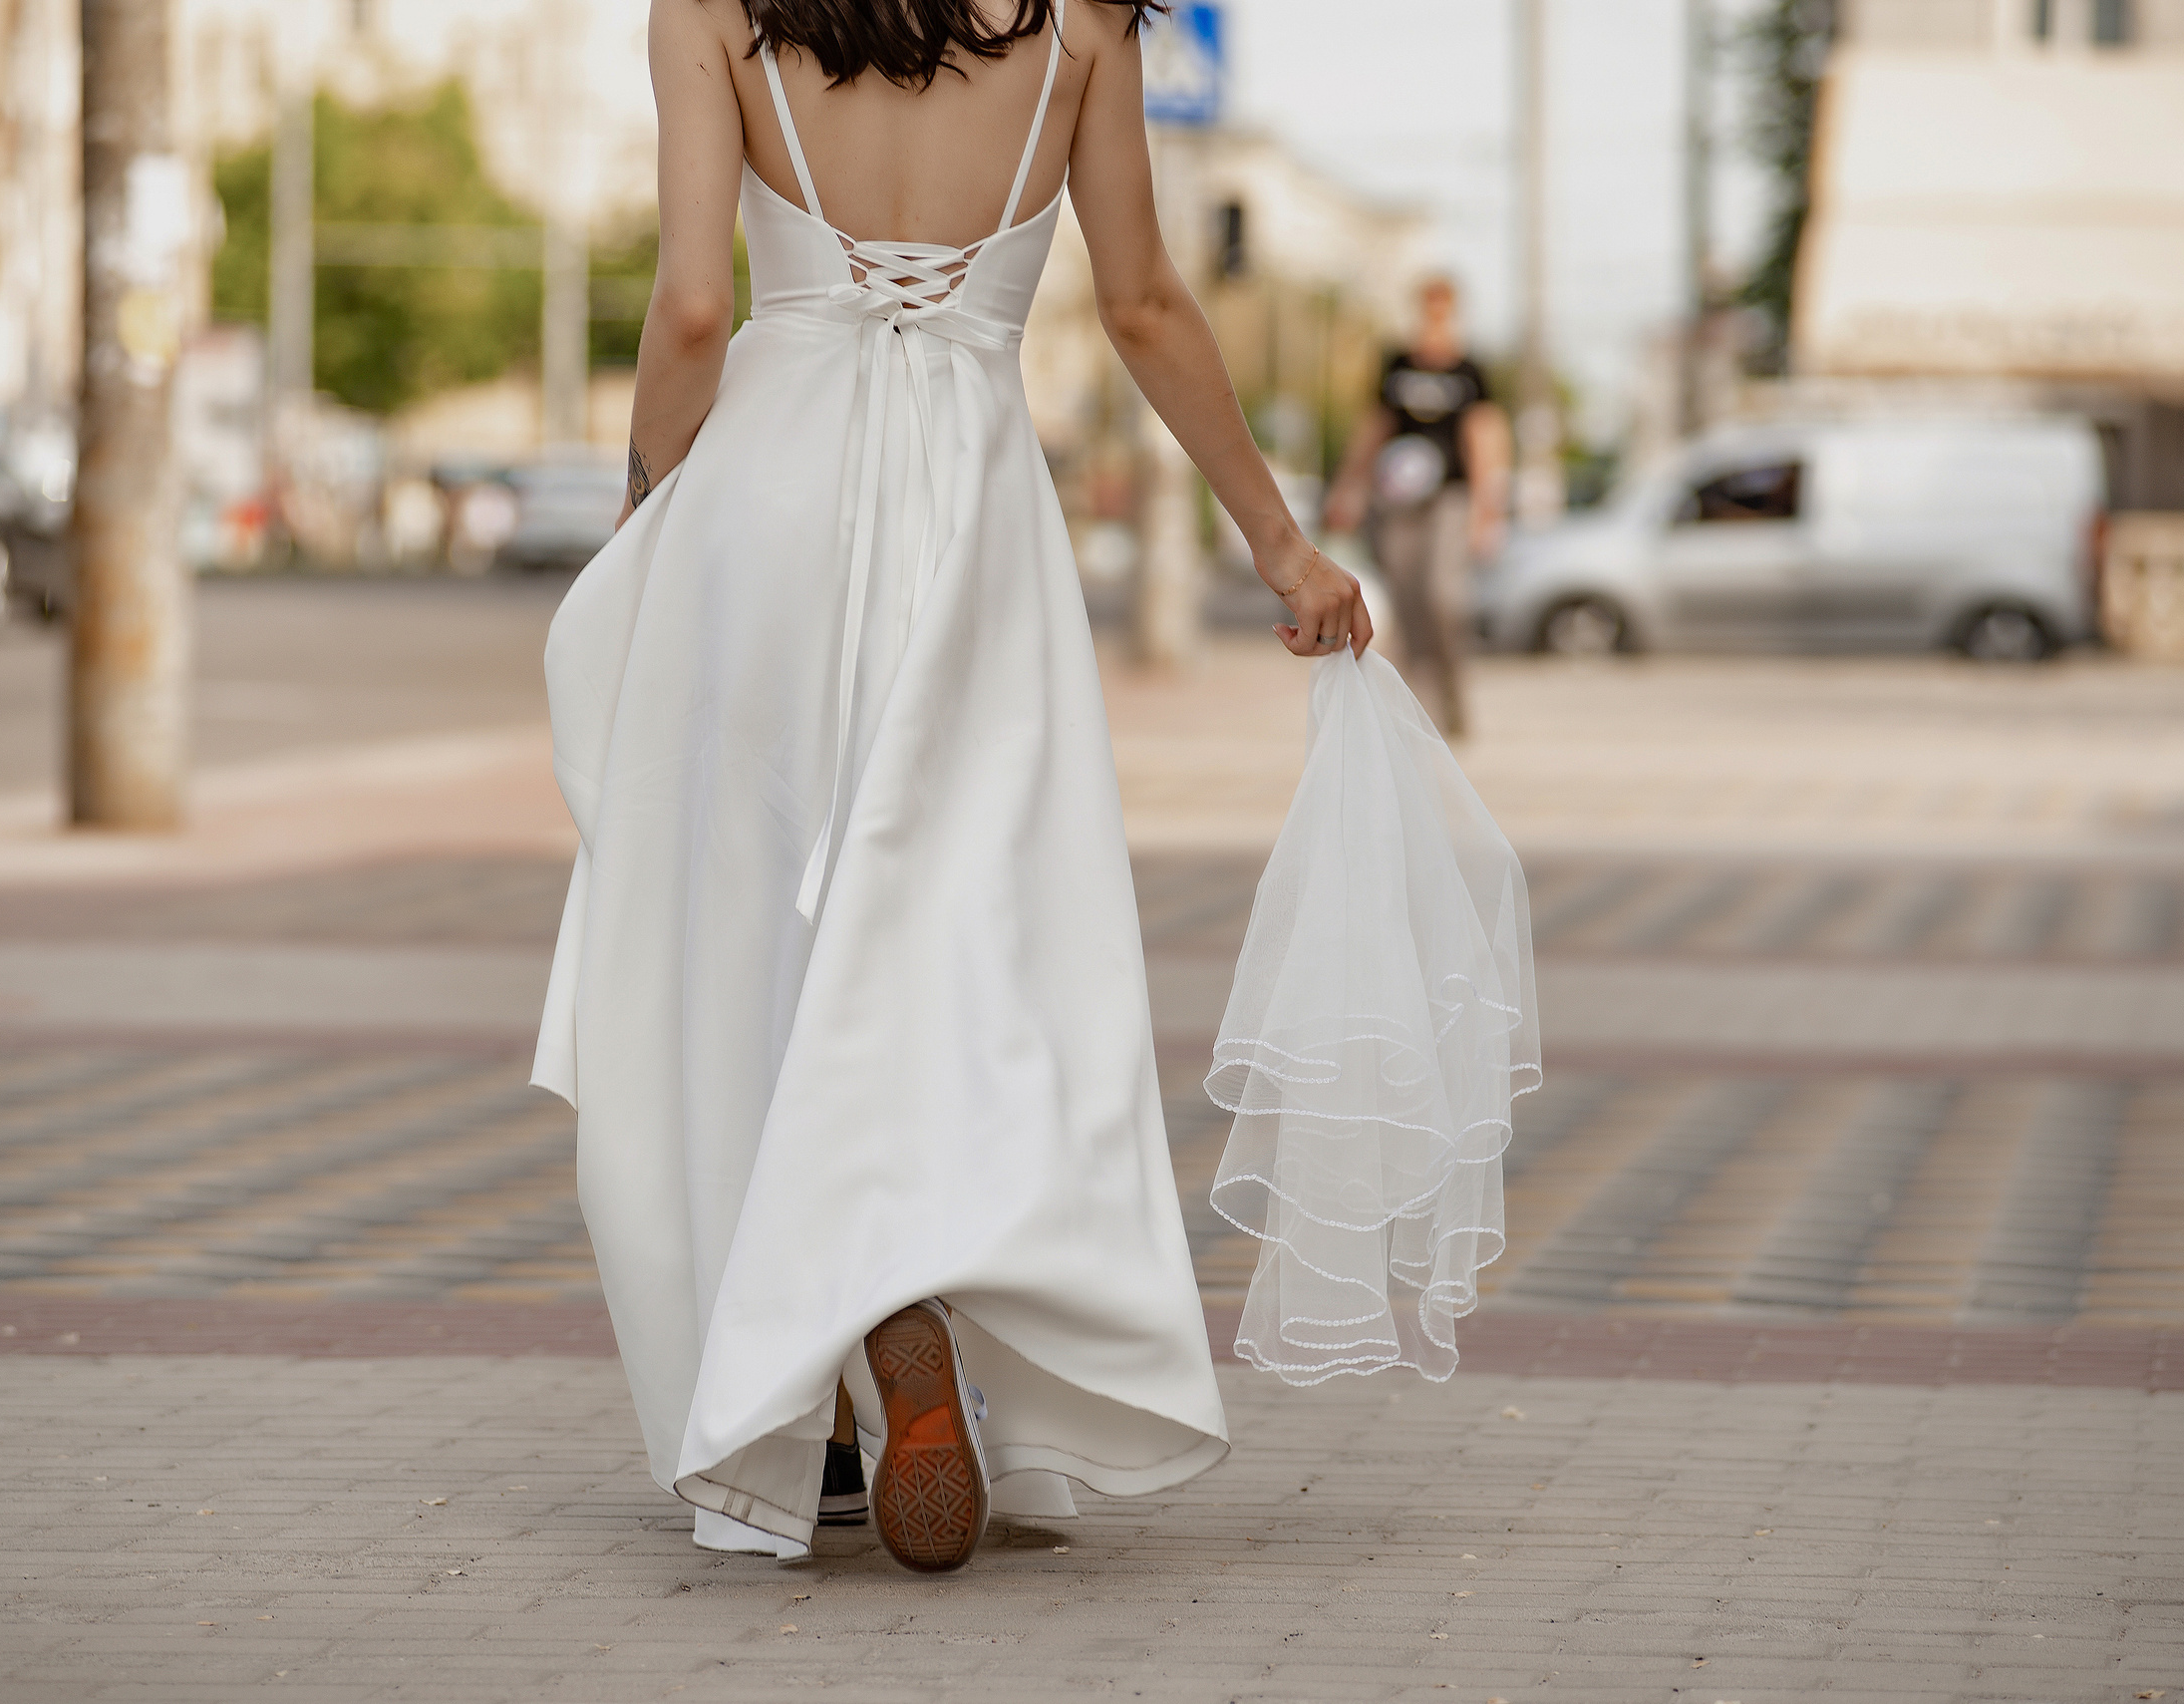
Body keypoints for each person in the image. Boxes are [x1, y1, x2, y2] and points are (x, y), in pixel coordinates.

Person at [531, 0, 1371, 1575]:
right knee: (971, 947)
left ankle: (827, 1391)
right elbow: (1146, 306)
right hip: (972, 526)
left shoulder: (712, 10)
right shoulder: (1083, 26)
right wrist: (1276, 536)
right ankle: (933, 1319)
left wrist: (646, 506)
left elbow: (698, 307)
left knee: (747, 947)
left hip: (764, 516)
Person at [1322, 276, 1510, 739]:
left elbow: (1484, 437)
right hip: (1396, 500)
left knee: (1442, 596)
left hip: (1448, 497)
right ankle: (1417, 710)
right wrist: (1348, 488)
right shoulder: (1398, 363)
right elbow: (1375, 428)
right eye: (1428, 306)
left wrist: (1489, 510)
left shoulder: (1469, 370)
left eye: (1443, 307)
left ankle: (1453, 695)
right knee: (1407, 605)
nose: (1435, 315)